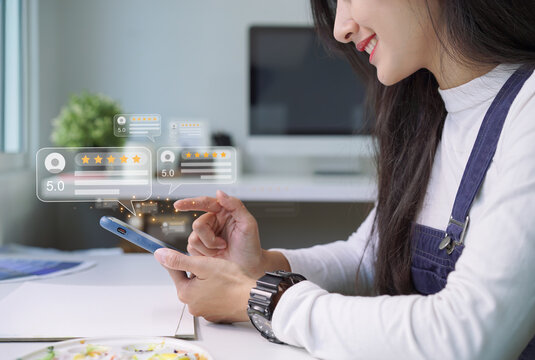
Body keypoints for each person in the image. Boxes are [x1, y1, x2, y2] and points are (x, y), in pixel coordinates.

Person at [154, 0, 535, 358]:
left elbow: (469, 336)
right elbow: (369, 257)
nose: (340, 30)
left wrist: (261, 299)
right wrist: (260, 268)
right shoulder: (435, 115)